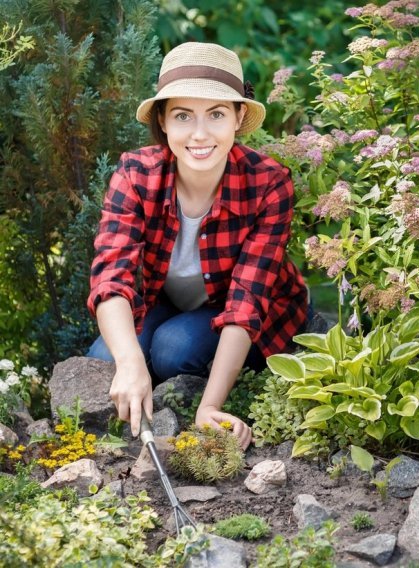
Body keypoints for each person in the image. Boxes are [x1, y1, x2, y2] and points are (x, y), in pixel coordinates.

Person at [86, 42, 308, 450]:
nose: (200, 134)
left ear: (240, 117)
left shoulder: (269, 183)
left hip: (243, 313)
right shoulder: (135, 175)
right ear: (163, 120)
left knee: (173, 350)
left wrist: (209, 407)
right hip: (169, 300)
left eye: (217, 114)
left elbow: (246, 302)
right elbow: (111, 277)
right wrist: (131, 363)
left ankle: (191, 385)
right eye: (183, 115)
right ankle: (145, 378)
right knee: (106, 358)